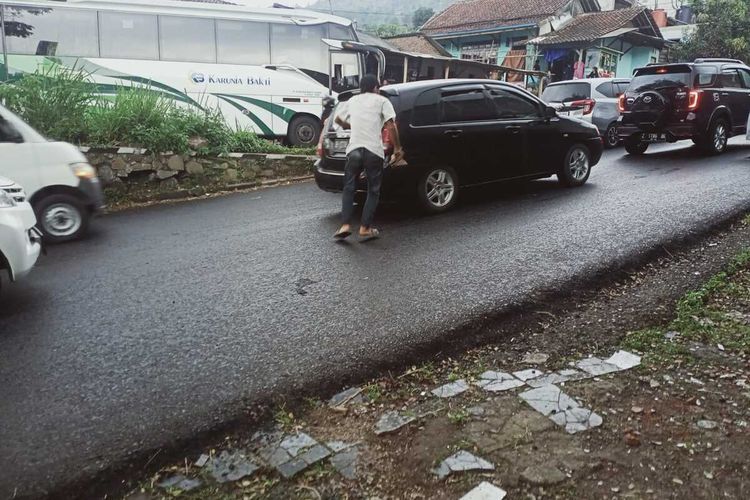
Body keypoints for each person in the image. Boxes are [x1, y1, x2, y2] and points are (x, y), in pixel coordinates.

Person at [333, 74, 404, 241]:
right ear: (375, 87)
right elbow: (391, 125)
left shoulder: (352, 101)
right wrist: (398, 147)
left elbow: (337, 119)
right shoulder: (382, 101)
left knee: (349, 187)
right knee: (373, 190)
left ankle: (345, 225)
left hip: (354, 150)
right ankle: (365, 228)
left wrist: (352, 126)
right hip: (373, 151)